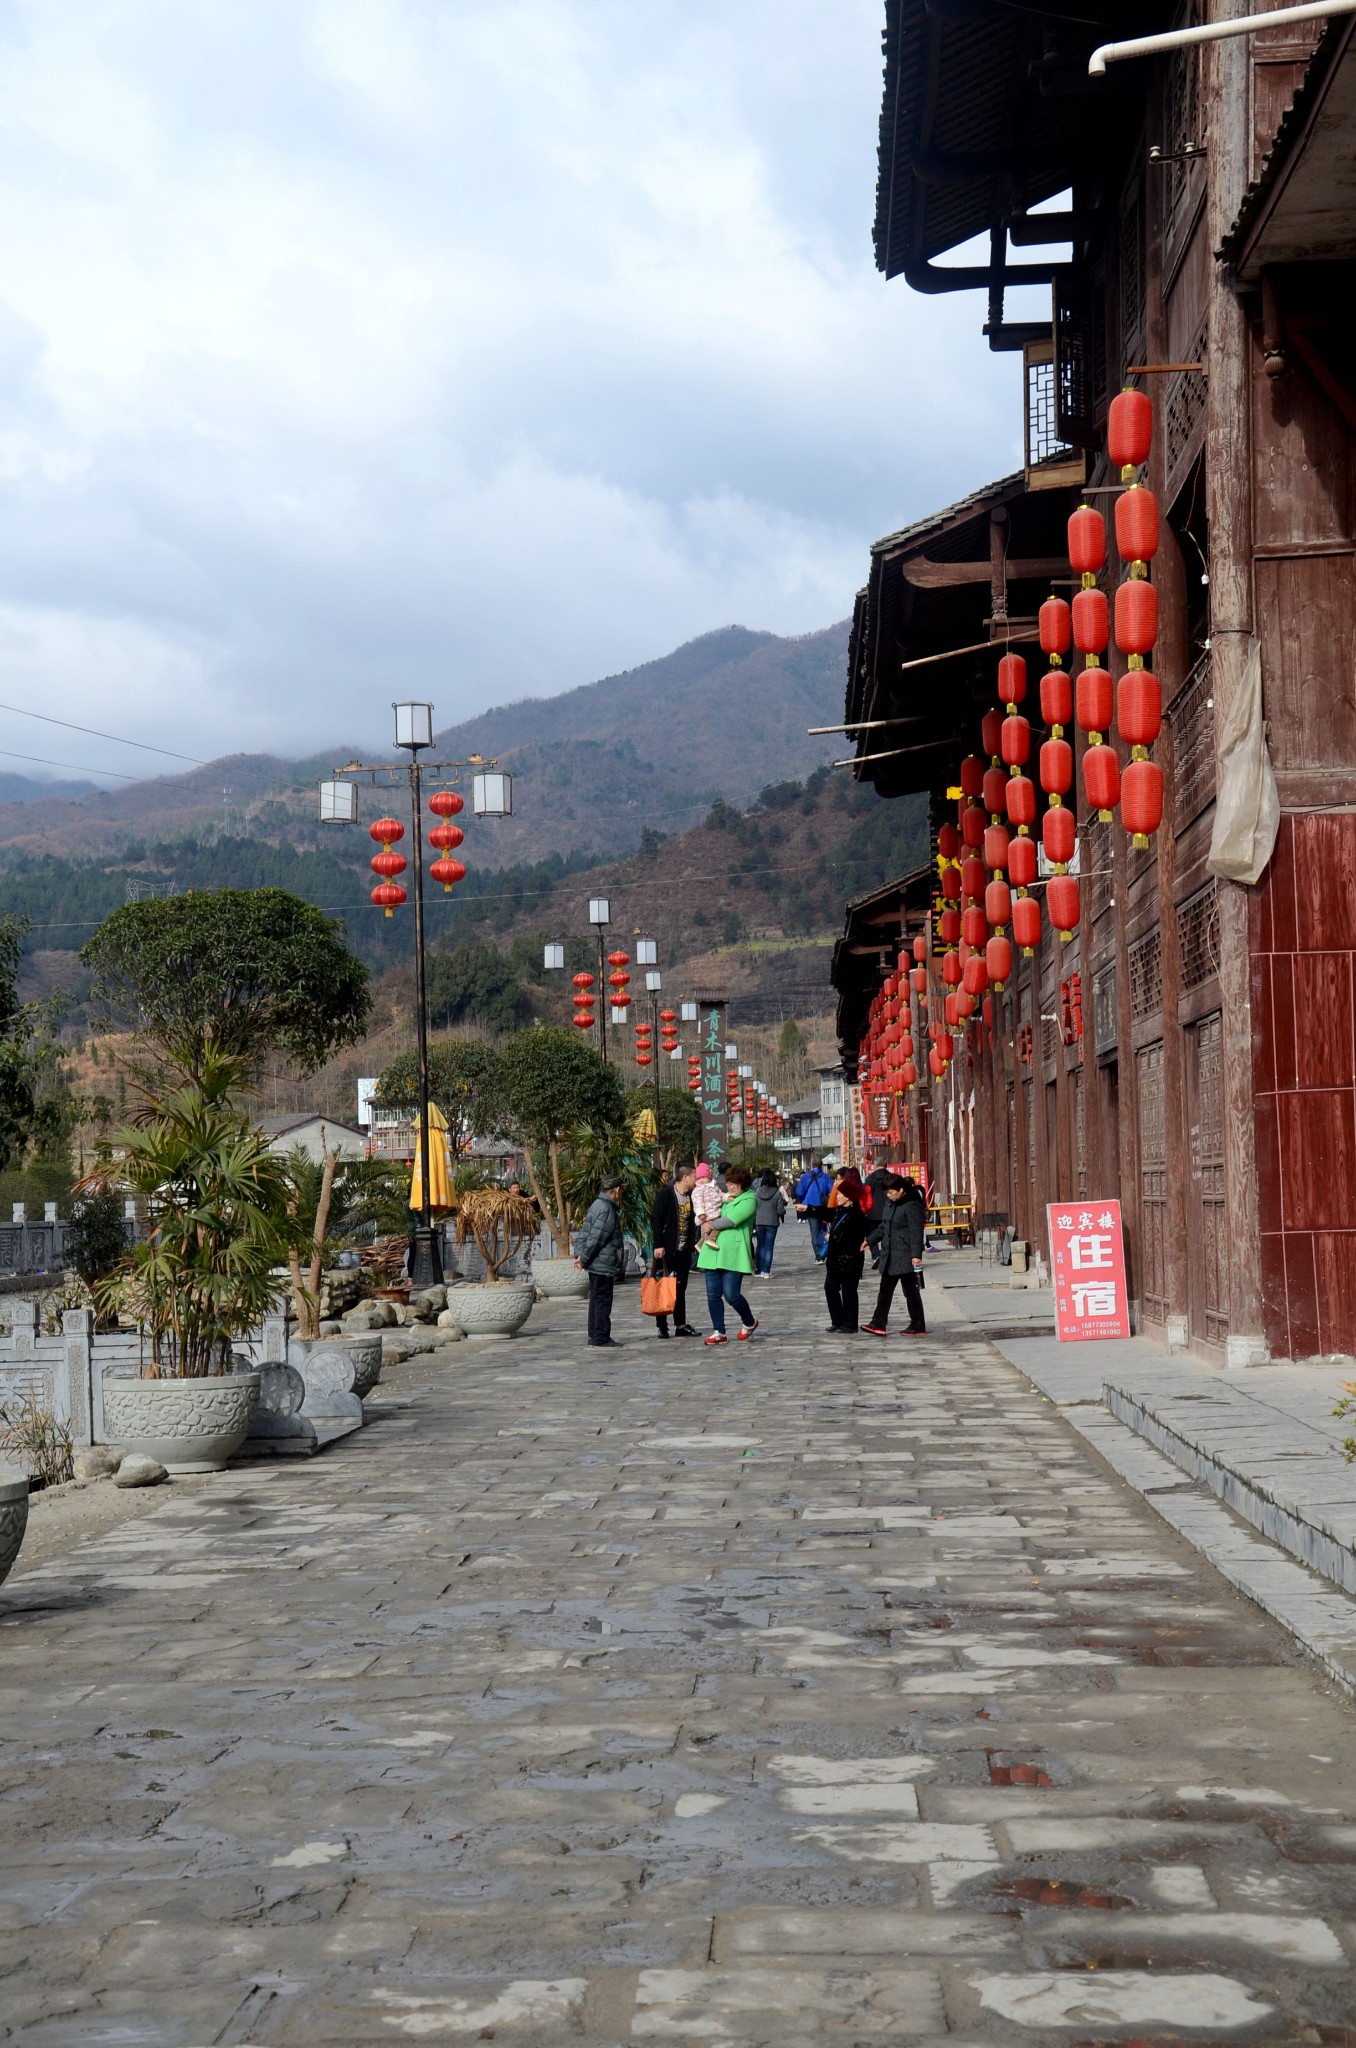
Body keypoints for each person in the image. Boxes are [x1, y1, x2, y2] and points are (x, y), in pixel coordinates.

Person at [696, 1163, 758, 1345]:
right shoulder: (725, 1197)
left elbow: (731, 1220)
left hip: (734, 1252)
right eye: (728, 1183)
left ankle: (749, 1321)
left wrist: (710, 1224)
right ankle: (718, 1331)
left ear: (743, 1184)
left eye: (734, 1184)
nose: (730, 1186)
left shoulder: (749, 1199)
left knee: (731, 1295)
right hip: (712, 1251)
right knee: (713, 1295)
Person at [862, 1175, 927, 1336]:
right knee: (884, 1291)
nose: (889, 1196)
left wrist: (916, 1255)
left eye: (892, 1192)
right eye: (887, 1193)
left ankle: (918, 1324)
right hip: (890, 1255)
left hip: (905, 1255)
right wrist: (870, 1241)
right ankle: (878, 1323)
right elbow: (884, 1227)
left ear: (901, 1190)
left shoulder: (911, 1205)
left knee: (910, 1292)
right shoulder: (891, 1204)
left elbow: (916, 1231)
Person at [574, 1175, 626, 1348]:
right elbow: (596, 1237)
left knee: (596, 1299)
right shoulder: (607, 1209)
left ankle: (594, 1335)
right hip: (602, 1262)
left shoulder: (596, 1205)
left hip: (596, 1262)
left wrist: (580, 1255)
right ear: (616, 1190)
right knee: (602, 1300)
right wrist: (584, 1259)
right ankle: (601, 1336)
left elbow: (585, 1232)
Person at [650, 1159, 698, 1338]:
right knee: (663, 1287)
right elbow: (656, 1220)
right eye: (694, 1176)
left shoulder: (692, 1196)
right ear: (685, 1177)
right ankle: (662, 1326)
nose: (696, 1179)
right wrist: (658, 1244)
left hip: (684, 1250)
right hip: (667, 1250)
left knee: (680, 1288)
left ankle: (680, 1324)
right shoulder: (666, 1194)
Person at [823, 1168, 870, 1333]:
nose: (838, 1197)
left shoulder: (856, 1215)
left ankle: (850, 1324)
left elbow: (852, 1238)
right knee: (830, 1287)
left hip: (851, 1259)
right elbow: (824, 1212)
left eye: (841, 1194)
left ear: (849, 1197)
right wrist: (807, 1209)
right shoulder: (839, 1211)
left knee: (849, 1291)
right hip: (835, 1259)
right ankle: (837, 1320)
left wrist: (833, 1237)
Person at [793, 1157, 833, 1262]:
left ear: (812, 1165)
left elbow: (799, 1192)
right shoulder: (826, 1177)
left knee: (814, 1231)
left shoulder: (805, 1177)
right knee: (823, 1230)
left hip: (809, 1208)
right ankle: (825, 1251)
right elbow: (832, 1191)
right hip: (823, 1207)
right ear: (821, 1165)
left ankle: (819, 1255)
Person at [753, 1169, 787, 1278]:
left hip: (759, 1222)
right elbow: (780, 1210)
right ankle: (766, 1271)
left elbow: (753, 1207)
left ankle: (759, 1270)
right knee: (769, 1246)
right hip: (772, 1222)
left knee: (760, 1245)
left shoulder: (757, 1192)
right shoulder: (777, 1193)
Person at [691, 1162, 723, 1235]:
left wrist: (726, 1197)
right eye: (699, 1178)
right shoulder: (698, 1189)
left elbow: (720, 1194)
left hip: (716, 1213)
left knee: (716, 1231)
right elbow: (697, 1202)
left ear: (709, 1177)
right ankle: (704, 1243)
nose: (701, 1180)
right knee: (707, 1232)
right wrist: (700, 1213)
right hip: (705, 1216)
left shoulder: (714, 1186)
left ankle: (707, 1242)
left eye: (704, 1178)